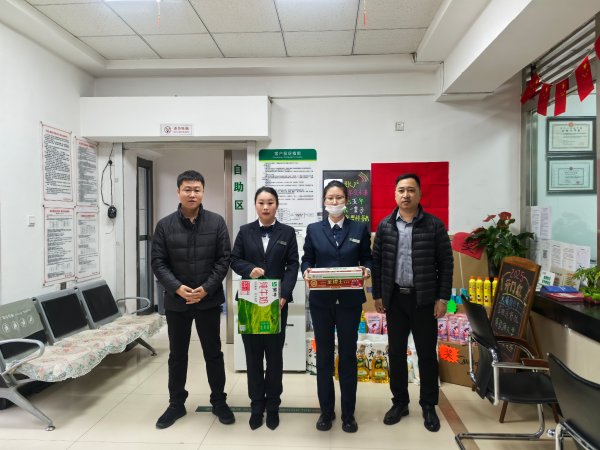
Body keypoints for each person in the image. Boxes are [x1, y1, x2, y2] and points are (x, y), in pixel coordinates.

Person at [151, 170, 235, 429]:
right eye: (187, 189)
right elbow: (158, 262)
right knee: (178, 355)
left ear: (203, 192)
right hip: (177, 302)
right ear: (178, 192)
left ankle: (219, 401)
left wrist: (206, 288)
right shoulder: (165, 225)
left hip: (208, 301)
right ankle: (176, 404)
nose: (192, 194)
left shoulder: (216, 222)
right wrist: (177, 288)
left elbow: (224, 259)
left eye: (197, 189)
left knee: (213, 353)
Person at [371, 173, 453, 433]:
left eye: (410, 190)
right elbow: (377, 264)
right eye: (401, 190)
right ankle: (400, 403)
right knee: (396, 353)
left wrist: (443, 298)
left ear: (419, 194)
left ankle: (428, 405)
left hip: (424, 300)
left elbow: (446, 264)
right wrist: (378, 295)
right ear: (394, 194)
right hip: (395, 299)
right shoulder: (385, 226)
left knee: (427, 354)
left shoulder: (434, 225)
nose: (405, 195)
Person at [301, 180, 372, 433]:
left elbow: (368, 258)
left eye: (339, 197)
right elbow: (307, 258)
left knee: (348, 357)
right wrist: (306, 270)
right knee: (324, 357)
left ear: (346, 201)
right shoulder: (314, 229)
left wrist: (367, 270)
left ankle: (348, 414)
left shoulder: (359, 228)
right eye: (330, 198)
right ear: (324, 202)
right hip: (322, 302)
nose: (334, 202)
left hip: (349, 302)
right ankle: (326, 412)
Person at [230, 187, 299, 430]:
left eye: (270, 202)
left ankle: (273, 406)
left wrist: (285, 294)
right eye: (261, 202)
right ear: (255, 205)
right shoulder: (245, 231)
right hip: (250, 302)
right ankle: (256, 406)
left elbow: (293, 265)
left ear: (276, 205)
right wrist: (249, 269)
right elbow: (234, 259)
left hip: (276, 304)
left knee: (274, 357)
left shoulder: (287, 232)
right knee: (253, 357)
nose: (266, 206)